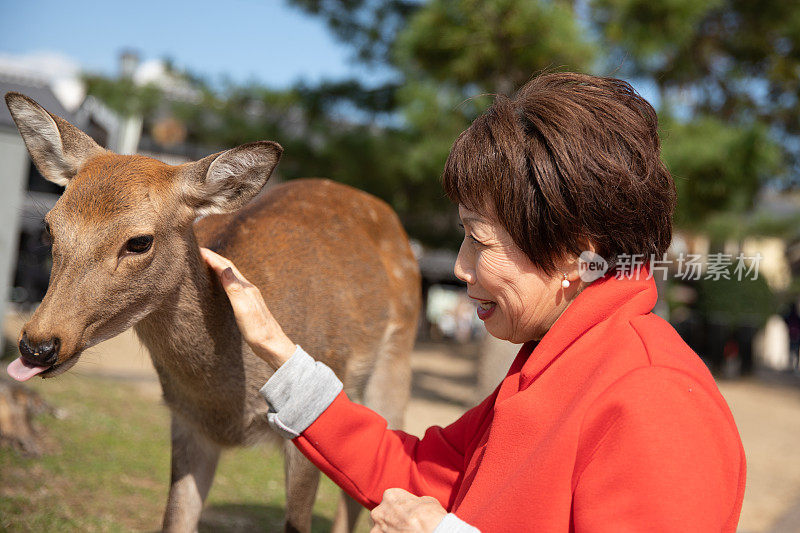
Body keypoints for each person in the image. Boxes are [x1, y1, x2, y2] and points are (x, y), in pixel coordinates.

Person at [201, 72, 746, 532]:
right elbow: (419, 472)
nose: (461, 267)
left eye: (478, 241)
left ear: (574, 257)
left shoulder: (653, 398)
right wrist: (278, 351)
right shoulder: (554, 359)